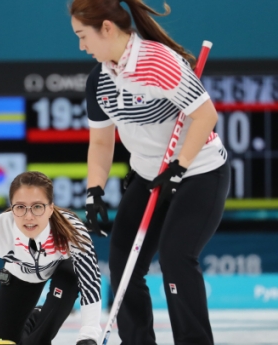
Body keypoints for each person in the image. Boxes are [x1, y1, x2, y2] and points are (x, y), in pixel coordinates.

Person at [69, 1, 231, 345]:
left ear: (108, 29)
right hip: (147, 175)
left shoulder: (158, 62)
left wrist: (179, 166)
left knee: (176, 257)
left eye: (83, 36)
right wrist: (94, 191)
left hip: (199, 170)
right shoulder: (100, 79)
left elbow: (206, 116)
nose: (81, 45)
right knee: (123, 265)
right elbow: (100, 143)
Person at [0, 171, 102, 345]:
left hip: (64, 273)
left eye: (37, 206)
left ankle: (42, 320)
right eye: (20, 207)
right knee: (6, 340)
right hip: (19, 276)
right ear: (12, 207)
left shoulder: (72, 230)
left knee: (37, 341)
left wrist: (89, 336)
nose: (29, 216)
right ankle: (35, 316)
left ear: (51, 208)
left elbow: (91, 282)